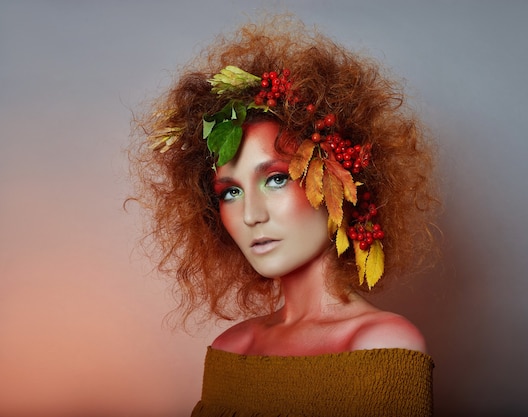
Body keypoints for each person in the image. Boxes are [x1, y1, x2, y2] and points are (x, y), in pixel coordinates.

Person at [130, 14, 439, 417]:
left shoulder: (382, 344)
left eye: (275, 179)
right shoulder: (231, 349)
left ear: (337, 179)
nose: (251, 214)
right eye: (231, 192)